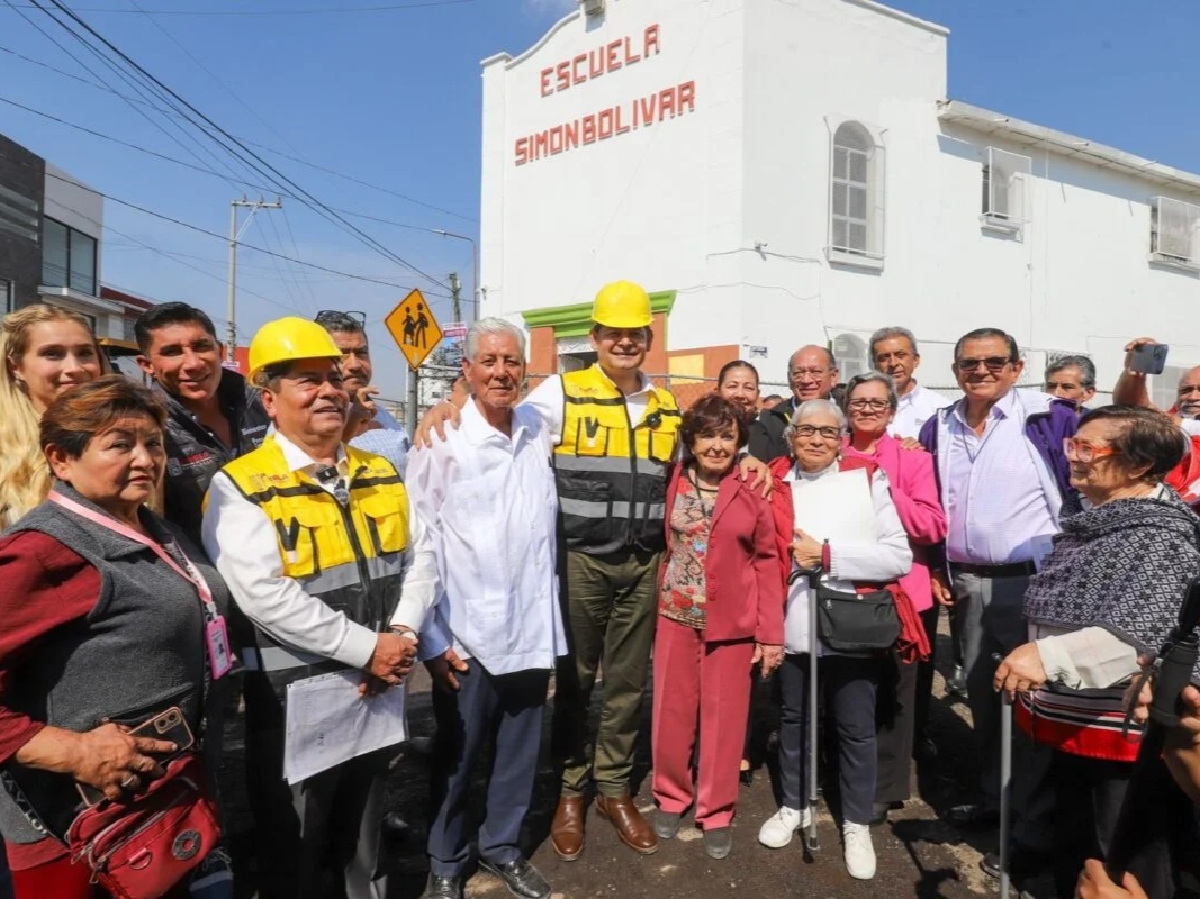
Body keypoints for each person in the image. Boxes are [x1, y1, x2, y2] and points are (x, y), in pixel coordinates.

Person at [415, 282, 769, 859]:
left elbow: (710, 453)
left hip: (644, 563)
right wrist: (452, 399)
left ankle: (614, 788)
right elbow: (497, 409)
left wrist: (752, 461)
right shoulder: (561, 392)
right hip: (581, 561)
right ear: (596, 337)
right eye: (613, 333)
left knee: (628, 686)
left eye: (635, 334)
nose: (624, 343)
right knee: (576, 682)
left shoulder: (664, 405)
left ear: (648, 339)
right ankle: (571, 791)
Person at [201, 317, 438, 899]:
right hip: (297, 698)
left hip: (378, 684)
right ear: (269, 400)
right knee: (298, 840)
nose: (328, 390)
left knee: (366, 831)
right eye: (307, 380)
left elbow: (422, 557)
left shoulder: (379, 471)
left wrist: (401, 633)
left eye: (332, 377)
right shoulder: (241, 485)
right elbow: (264, 594)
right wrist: (369, 648)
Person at [0, 375, 232, 897]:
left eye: (153, 444)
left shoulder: (152, 526)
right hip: (76, 834)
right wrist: (71, 751)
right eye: (120, 445)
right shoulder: (42, 552)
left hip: (163, 804)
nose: (145, 459)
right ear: (61, 459)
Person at [991, 406, 1199, 899]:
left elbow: (1145, 632)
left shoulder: (1158, 535)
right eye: (1073, 444)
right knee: (1079, 845)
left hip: (1123, 735)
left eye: (1088, 448)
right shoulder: (1095, 520)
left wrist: (1049, 656)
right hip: (1076, 721)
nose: (1073, 456)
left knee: (1121, 861)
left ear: (1138, 465)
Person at [402, 319, 565, 899]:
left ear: (525, 370)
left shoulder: (536, 427)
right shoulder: (441, 439)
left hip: (530, 627)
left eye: (511, 361)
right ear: (467, 370)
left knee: (519, 755)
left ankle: (502, 848)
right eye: (489, 361)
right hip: (465, 636)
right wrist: (432, 641)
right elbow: (419, 542)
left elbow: (598, 379)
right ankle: (446, 860)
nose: (501, 372)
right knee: (458, 756)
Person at [918, 327, 1077, 871]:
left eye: (993, 362)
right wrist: (936, 566)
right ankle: (996, 800)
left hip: (1031, 582)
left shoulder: (1047, 419)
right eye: (969, 363)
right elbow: (933, 503)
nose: (980, 371)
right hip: (966, 581)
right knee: (985, 700)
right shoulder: (939, 425)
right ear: (955, 369)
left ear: (1016, 367)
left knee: (1032, 702)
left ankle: (1033, 830)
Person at [757, 399, 912, 880]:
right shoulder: (774, 479)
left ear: (841, 439)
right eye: (807, 430)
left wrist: (826, 555)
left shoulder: (866, 479)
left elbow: (898, 556)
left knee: (855, 726)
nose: (817, 440)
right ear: (791, 437)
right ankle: (794, 804)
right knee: (794, 718)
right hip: (794, 620)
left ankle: (856, 822)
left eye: (828, 432)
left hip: (850, 622)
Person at [651, 394, 784, 860]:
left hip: (732, 624)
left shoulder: (752, 487)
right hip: (674, 615)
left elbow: (767, 560)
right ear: (690, 440)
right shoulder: (671, 479)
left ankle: (717, 809)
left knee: (725, 719)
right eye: (707, 435)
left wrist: (770, 633)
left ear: (739, 443)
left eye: (726, 436)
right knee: (671, 712)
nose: (716, 445)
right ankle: (671, 794)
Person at [840, 373, 947, 824]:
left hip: (901, 593)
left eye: (877, 403)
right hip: (842, 587)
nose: (867, 410)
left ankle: (885, 787)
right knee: (847, 690)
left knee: (896, 696)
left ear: (891, 410)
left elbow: (932, 526)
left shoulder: (912, 458)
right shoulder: (828, 450)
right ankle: (843, 771)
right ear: (846, 407)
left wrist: (883, 485)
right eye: (858, 402)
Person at [134, 303, 270, 542]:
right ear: (147, 365)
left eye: (201, 346)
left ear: (220, 350)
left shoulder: (264, 403)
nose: (193, 363)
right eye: (172, 352)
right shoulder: (145, 426)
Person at [0, 305, 104, 528]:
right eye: (52, 354)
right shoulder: (3, 450)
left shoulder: (134, 436)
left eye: (84, 353)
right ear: (15, 366)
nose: (74, 368)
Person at [315, 310, 412, 478]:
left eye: (361, 353)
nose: (355, 365)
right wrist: (345, 434)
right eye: (342, 355)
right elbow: (302, 481)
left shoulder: (387, 420)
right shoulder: (299, 419)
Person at [748, 346, 839, 462]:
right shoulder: (770, 421)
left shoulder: (850, 414)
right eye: (798, 373)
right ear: (789, 378)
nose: (806, 380)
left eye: (816, 372)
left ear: (833, 377)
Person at [868, 327, 952, 440]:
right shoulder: (862, 408)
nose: (893, 363)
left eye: (900, 355)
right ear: (875, 364)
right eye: (884, 358)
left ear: (915, 360)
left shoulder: (940, 408)